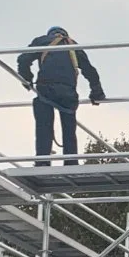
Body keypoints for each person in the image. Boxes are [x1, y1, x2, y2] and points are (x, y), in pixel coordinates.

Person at [18, 26, 106, 165]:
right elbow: (89, 71)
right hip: (68, 93)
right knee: (69, 130)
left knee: (44, 126)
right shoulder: (73, 46)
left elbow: (23, 60)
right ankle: (71, 162)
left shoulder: (42, 41)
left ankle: (42, 161)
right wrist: (96, 93)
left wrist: (27, 79)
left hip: (45, 89)